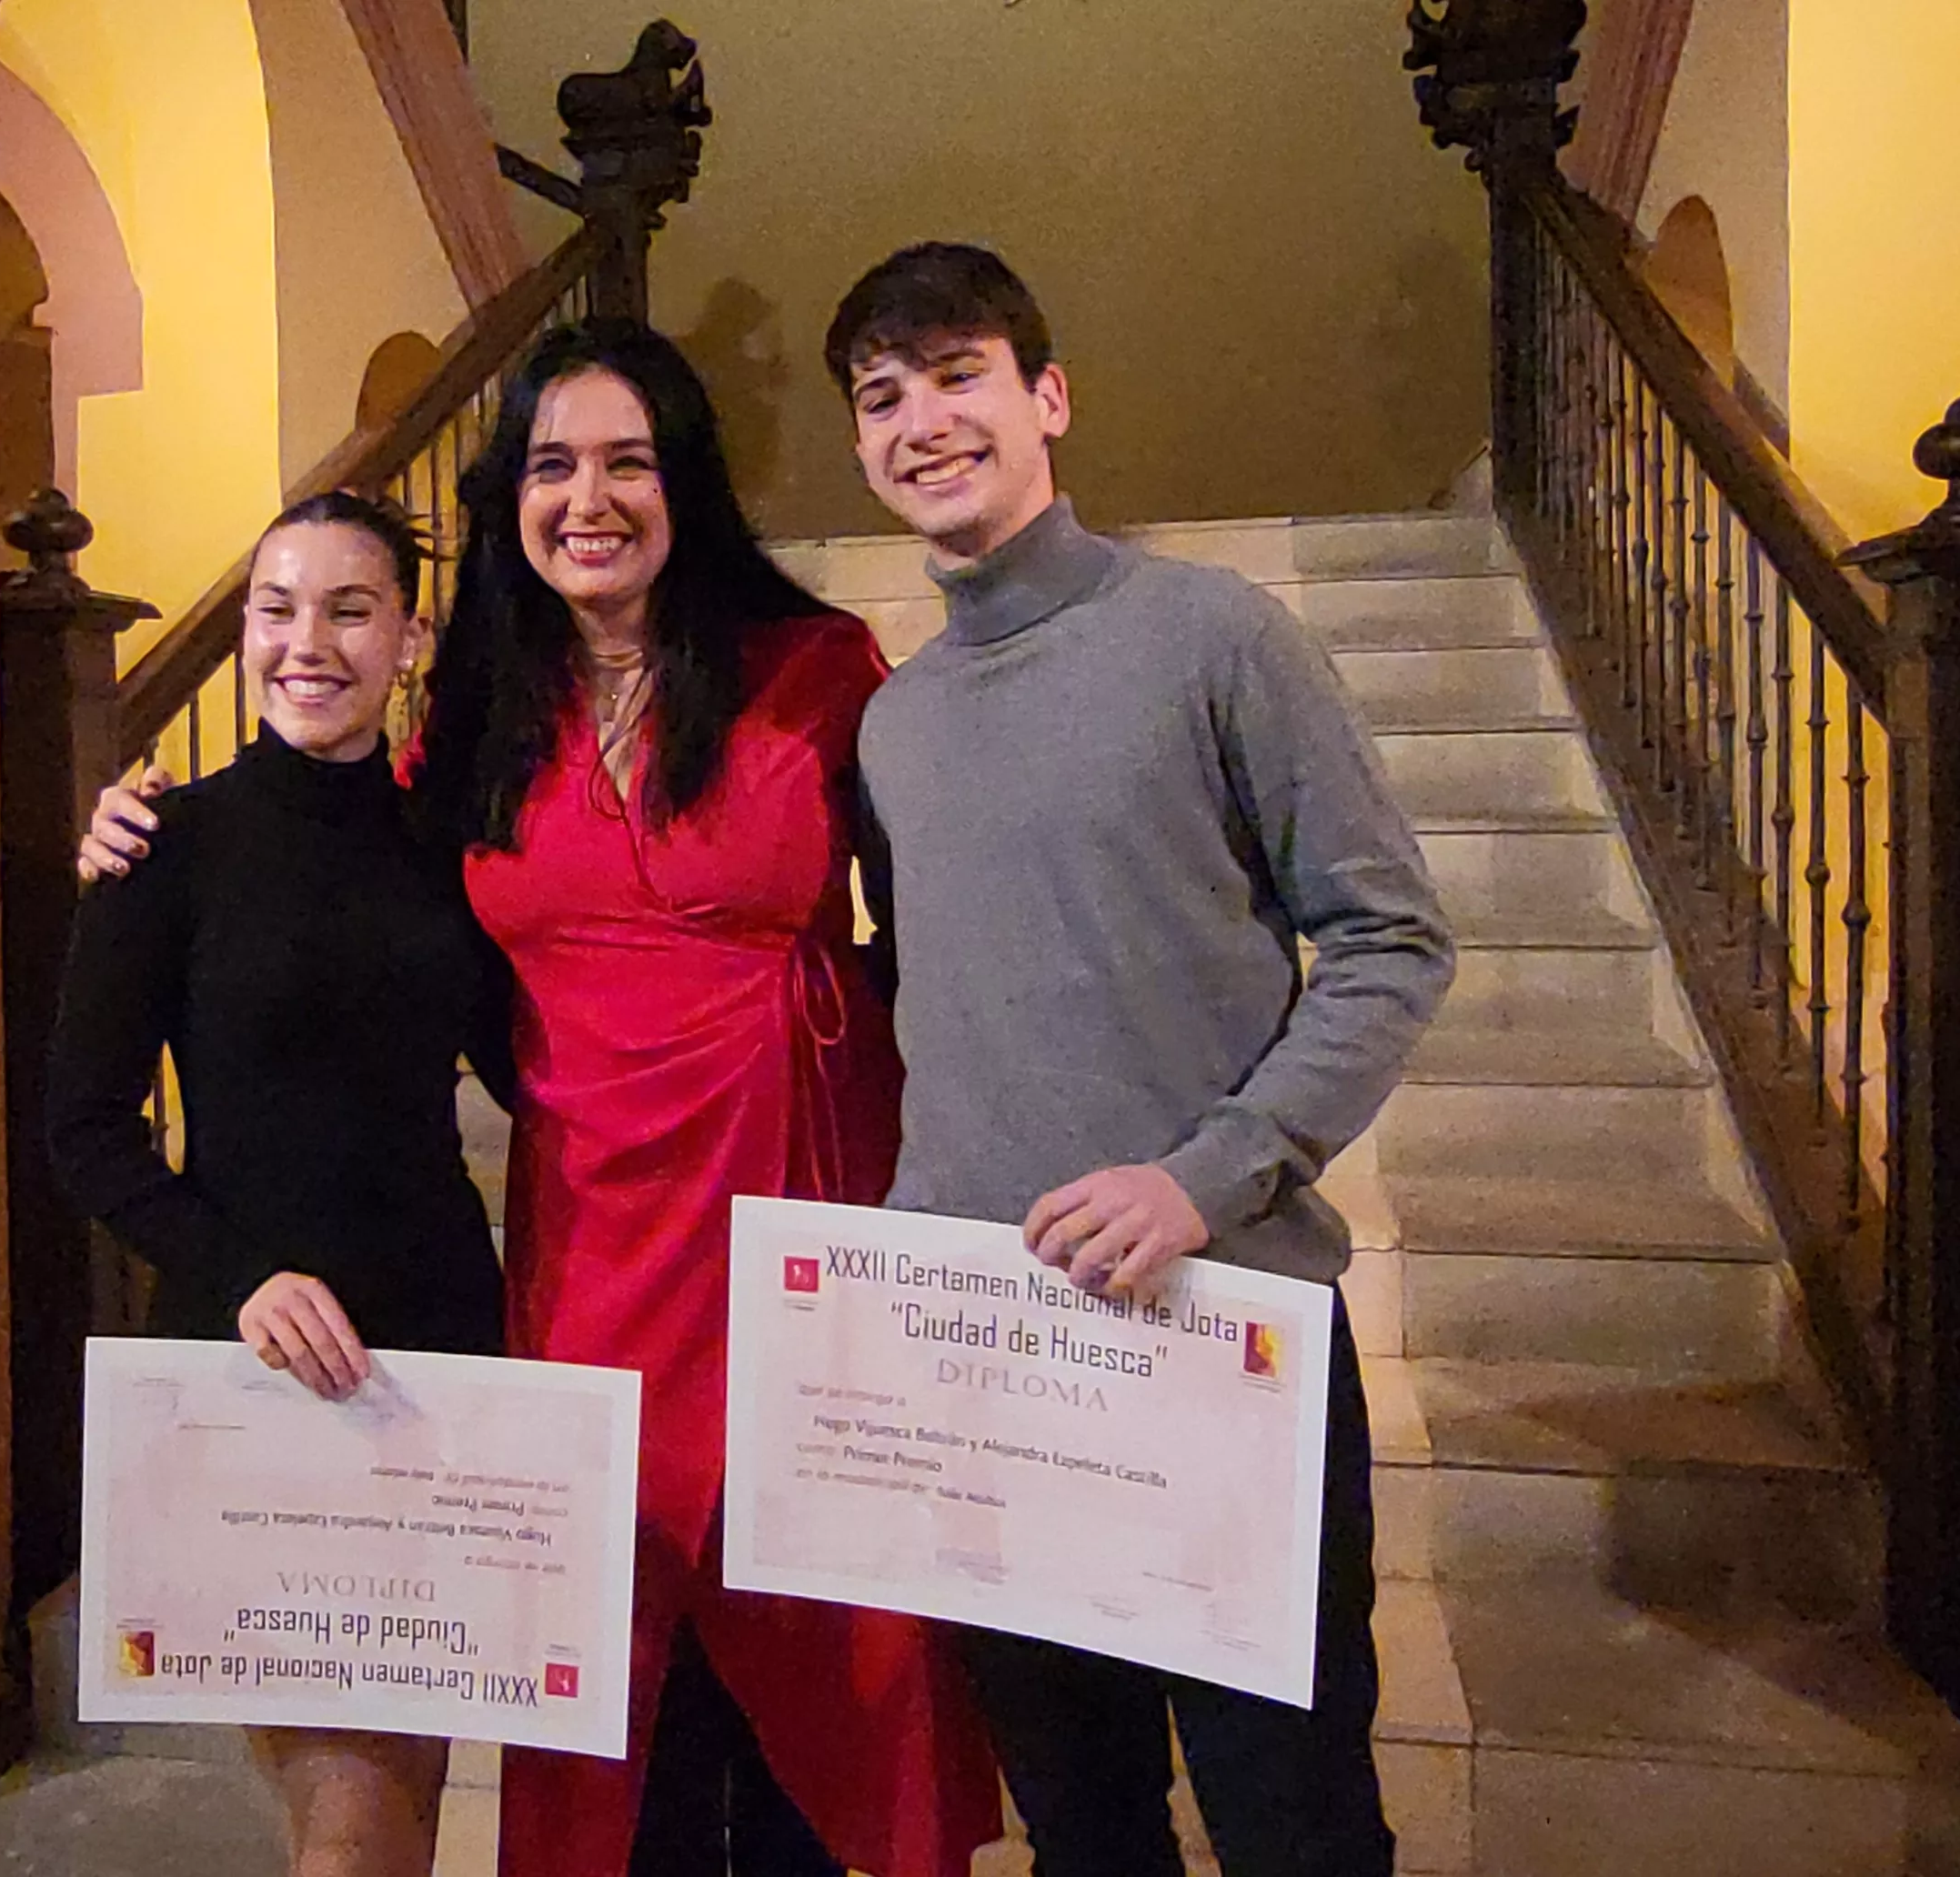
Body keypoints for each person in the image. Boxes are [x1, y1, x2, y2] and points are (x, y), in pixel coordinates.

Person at [80, 322, 1000, 1877]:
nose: (590, 498)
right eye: (553, 465)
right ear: (511, 495)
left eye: (627, 461)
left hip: (793, 1201)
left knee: (821, 1629)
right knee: (614, 1649)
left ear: (682, 481)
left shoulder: (818, 671)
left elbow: (952, 938)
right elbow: (346, 875)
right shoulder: (480, 718)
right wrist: (131, 828)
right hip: (591, 1232)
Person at [831, 243, 1453, 1877]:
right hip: (994, 1356)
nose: (920, 422)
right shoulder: (895, 722)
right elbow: (938, 997)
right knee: (1083, 1826)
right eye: (880, 397)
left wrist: (1202, 1179)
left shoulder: (1213, 637)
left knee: (1292, 1823)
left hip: (1219, 1327)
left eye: (956, 375)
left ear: (1047, 397)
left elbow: (1390, 941)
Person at [46, 491, 507, 1877]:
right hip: (250, 1372)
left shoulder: (454, 847)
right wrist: (240, 1277)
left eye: (349, 611)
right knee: (353, 1818)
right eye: (276, 608)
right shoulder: (161, 845)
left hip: (438, 1361)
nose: (307, 643)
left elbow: (537, 1066)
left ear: (408, 640)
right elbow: (84, 1130)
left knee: (395, 1802)